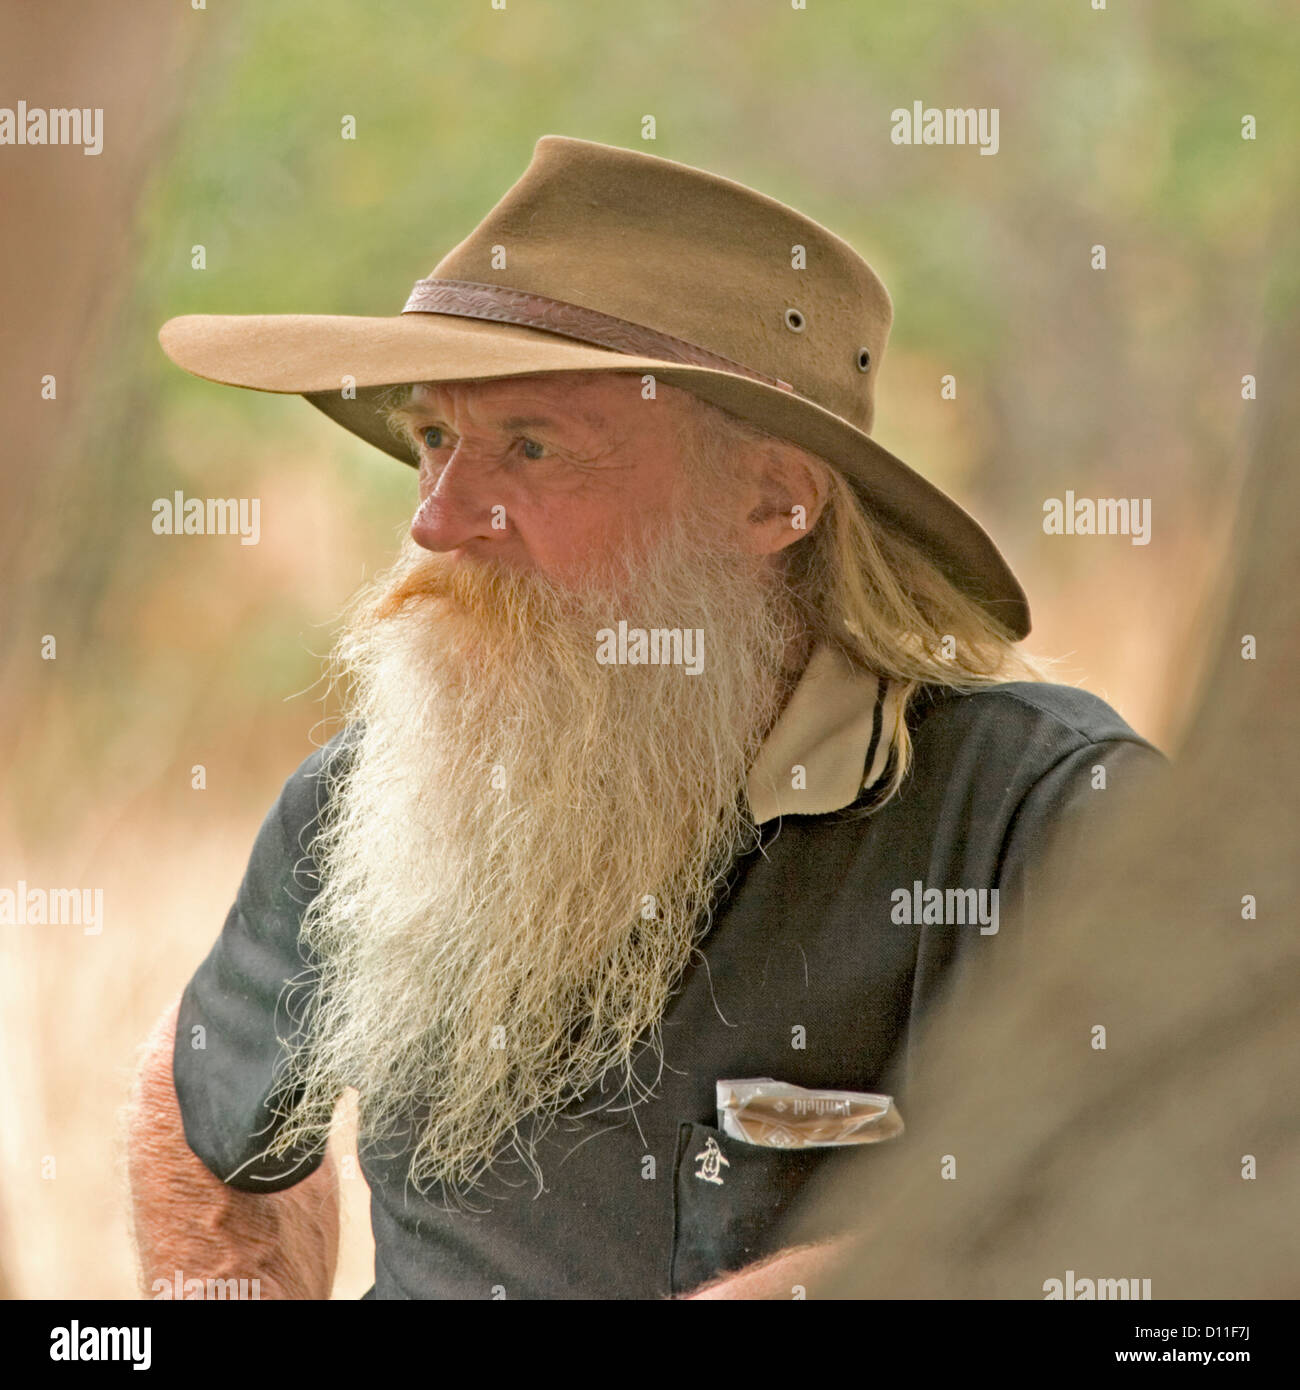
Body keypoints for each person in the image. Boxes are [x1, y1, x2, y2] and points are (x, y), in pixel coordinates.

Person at [127, 135, 1162, 1299]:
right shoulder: (384, 787)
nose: (437, 518)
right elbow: (204, 1084)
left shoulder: (1035, 809)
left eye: (531, 446)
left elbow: (1154, 1209)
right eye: (433, 439)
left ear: (772, 499)